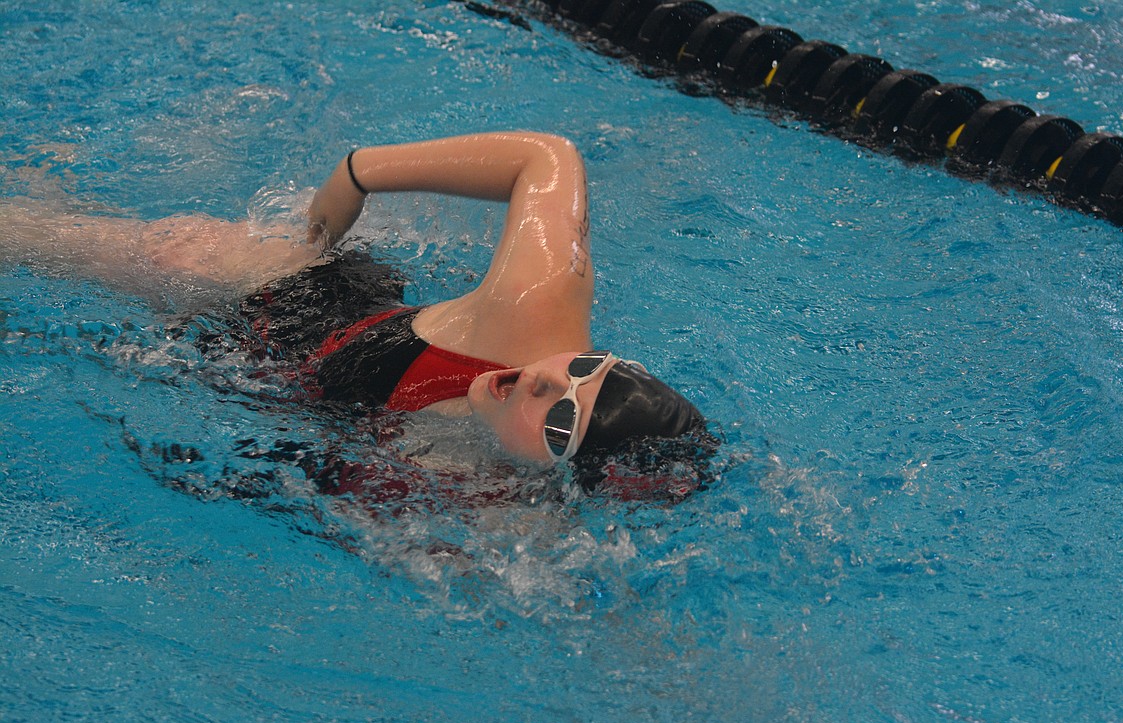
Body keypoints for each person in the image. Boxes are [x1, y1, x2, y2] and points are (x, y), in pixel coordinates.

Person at [2, 132, 712, 495]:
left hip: (246, 387)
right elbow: (548, 157)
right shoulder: (535, 314)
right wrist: (357, 173)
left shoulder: (508, 528)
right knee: (63, 244)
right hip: (296, 299)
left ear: (561, 477)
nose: (543, 381)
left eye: (561, 422)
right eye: (582, 370)